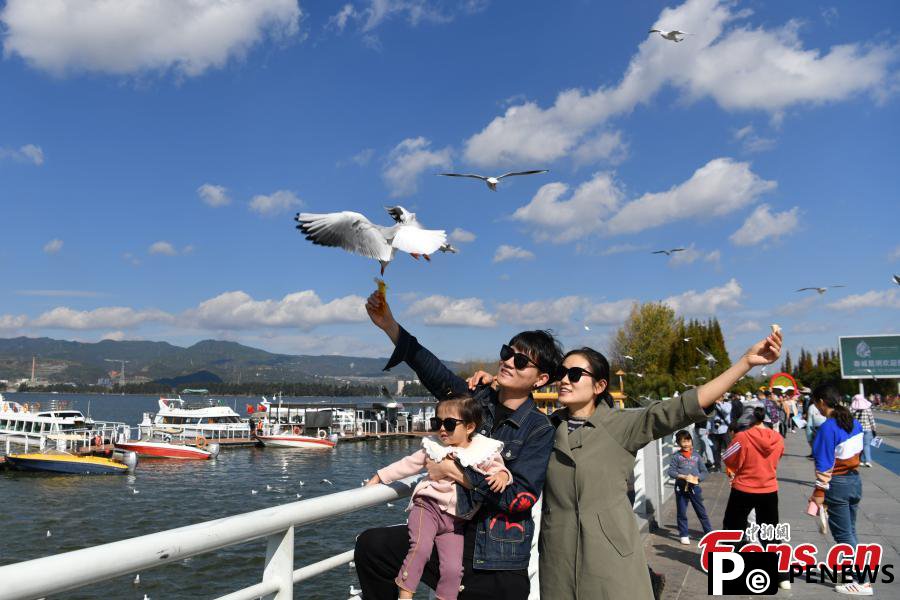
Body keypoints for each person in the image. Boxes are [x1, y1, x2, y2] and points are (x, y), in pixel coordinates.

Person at [467, 329, 782, 600]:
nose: (565, 380)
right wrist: (489, 389)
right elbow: (497, 431)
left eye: (575, 374)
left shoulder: (621, 426)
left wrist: (745, 364)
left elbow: (683, 407)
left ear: (599, 386)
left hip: (610, 557)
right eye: (562, 373)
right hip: (557, 558)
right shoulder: (545, 429)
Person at [354, 288, 562, 600]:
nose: (507, 362)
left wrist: (456, 472)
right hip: (449, 532)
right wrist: (390, 326)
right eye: (507, 352)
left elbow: (519, 498)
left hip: (494, 558)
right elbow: (433, 371)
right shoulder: (476, 400)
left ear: (541, 379)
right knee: (372, 547)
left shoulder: (537, 428)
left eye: (520, 361)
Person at [365, 397, 511, 600]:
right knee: (421, 548)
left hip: (456, 520)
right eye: (437, 422)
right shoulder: (433, 447)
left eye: (449, 424)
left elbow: (499, 468)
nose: (442, 428)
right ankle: (405, 594)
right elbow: (407, 465)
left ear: (469, 427)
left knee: (453, 569)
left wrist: (503, 476)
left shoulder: (483, 450)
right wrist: (380, 476)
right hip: (427, 507)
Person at [810, 384, 872, 596]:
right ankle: (855, 575)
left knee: (844, 535)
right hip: (854, 481)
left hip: (837, 484)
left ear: (820, 402)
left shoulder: (828, 427)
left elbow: (824, 465)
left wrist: (818, 493)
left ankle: (860, 581)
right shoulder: (852, 423)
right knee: (851, 531)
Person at [721, 406, 789, 589]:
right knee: (771, 532)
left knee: (732, 529)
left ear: (748, 421)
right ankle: (782, 576)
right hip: (769, 488)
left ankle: (730, 570)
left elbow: (728, 458)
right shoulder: (778, 438)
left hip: (743, 487)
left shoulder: (742, 437)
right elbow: (778, 457)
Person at [668, 430, 712, 545]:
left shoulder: (696, 456)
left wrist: (697, 478)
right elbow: (671, 471)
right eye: (683, 441)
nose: (686, 444)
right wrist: (681, 476)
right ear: (678, 443)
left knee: (701, 511)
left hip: (694, 488)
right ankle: (683, 534)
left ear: (691, 441)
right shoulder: (676, 456)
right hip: (680, 488)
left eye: (688, 440)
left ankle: (709, 533)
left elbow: (704, 472)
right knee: (681, 512)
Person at [851, 394, 876, 468]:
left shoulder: (852, 409)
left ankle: (860, 460)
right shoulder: (867, 409)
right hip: (868, 429)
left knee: (858, 446)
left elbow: (850, 419)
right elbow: (871, 420)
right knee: (866, 445)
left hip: (857, 430)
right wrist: (874, 429)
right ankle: (868, 461)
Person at [708, 396, 731, 471]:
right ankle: (717, 466)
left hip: (725, 430)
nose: (717, 398)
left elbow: (727, 411)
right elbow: (710, 418)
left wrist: (719, 403)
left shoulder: (728, 404)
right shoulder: (712, 406)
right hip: (715, 430)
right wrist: (708, 429)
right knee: (716, 449)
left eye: (719, 396)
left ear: (722, 397)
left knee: (728, 449)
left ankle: (731, 465)